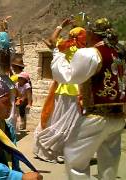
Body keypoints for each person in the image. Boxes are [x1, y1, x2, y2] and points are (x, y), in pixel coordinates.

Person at [51, 18, 126, 179]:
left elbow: (67, 76)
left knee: (74, 157)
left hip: (96, 116)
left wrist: (58, 54)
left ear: (92, 34)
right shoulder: (120, 53)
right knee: (109, 161)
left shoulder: (92, 53)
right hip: (117, 117)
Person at [34, 17, 87, 163]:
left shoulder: (65, 45)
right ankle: (64, 150)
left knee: (56, 118)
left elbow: (52, 40)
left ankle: (54, 148)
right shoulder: (87, 51)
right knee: (73, 122)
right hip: (77, 88)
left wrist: (60, 25)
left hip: (63, 86)